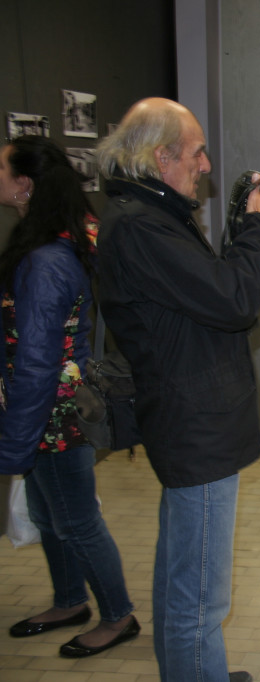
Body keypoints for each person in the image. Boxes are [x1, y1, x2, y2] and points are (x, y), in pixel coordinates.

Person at [95, 98, 260, 682]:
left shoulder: (152, 217)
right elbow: (234, 302)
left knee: (181, 576)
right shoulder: (140, 226)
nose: (206, 165)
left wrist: (255, 236)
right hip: (195, 425)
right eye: (197, 152)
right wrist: (256, 227)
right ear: (162, 157)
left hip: (194, 417)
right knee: (199, 601)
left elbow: (215, 294)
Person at [0, 136, 138, 657]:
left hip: (54, 414)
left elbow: (37, 360)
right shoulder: (53, 243)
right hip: (45, 408)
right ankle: (68, 600)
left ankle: (117, 615)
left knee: (76, 519)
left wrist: (14, 444)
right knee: (48, 512)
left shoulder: (47, 261)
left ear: (24, 184)